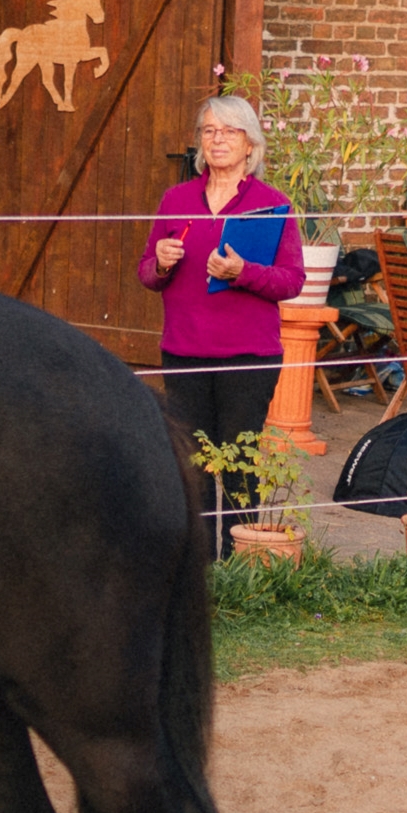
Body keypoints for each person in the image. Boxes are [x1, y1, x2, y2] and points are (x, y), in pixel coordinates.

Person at [138, 93, 306, 553]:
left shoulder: (271, 204)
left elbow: (292, 281)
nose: (218, 139)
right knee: (192, 464)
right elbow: (146, 274)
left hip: (248, 357)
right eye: (209, 131)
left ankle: (238, 564)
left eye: (229, 131)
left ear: (250, 144)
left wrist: (242, 273)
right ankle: (200, 566)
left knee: (239, 464)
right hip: (185, 350)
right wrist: (162, 261)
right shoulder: (176, 199)